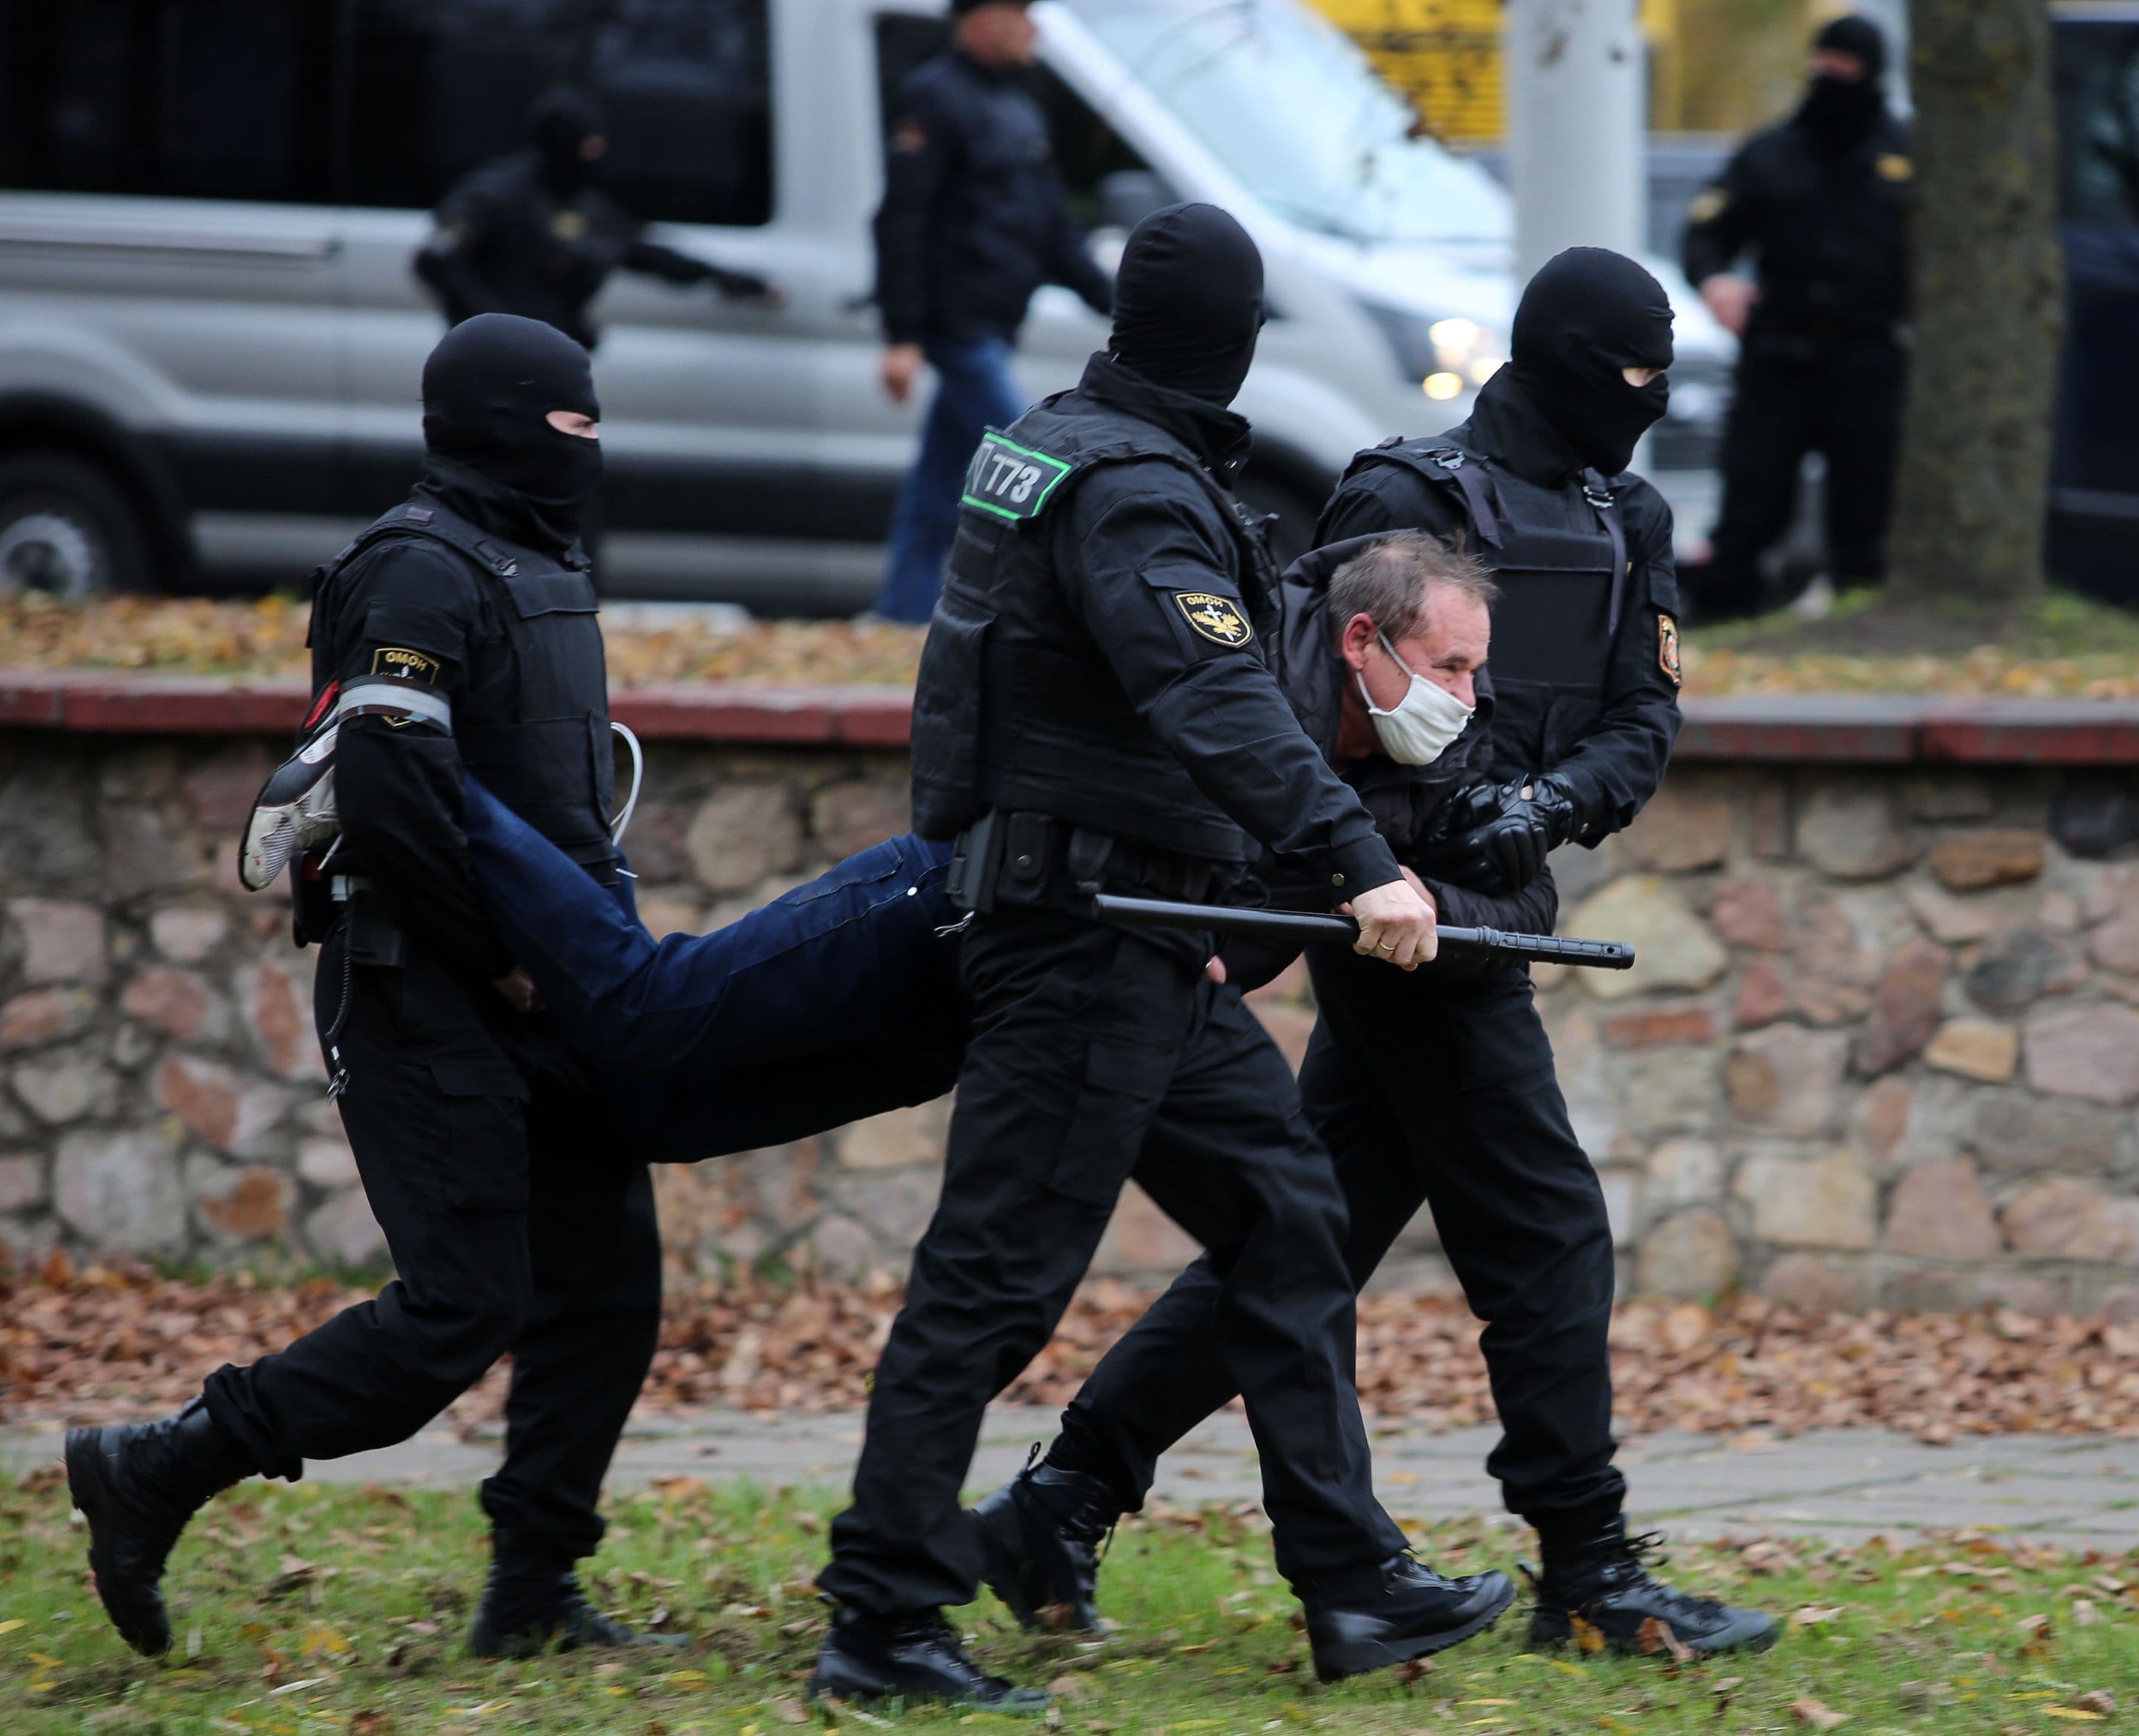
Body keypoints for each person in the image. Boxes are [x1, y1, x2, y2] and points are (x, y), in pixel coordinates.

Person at [973, 246, 1778, 1663]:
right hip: (1392, 911)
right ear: (1568, 360)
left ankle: (1067, 1493)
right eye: (1633, 374)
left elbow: (1643, 717)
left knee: (1311, 1231)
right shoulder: (1403, 492)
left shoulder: (1624, 511)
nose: (1647, 402)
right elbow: (1310, 703)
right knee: (1547, 1232)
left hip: (1492, 902)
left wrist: (1536, 807)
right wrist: (1392, 855)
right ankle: (1587, 1570)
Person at [815, 201, 1509, 1710]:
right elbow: (1214, 704)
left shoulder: (1072, 440)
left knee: (1287, 1221)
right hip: (1082, 933)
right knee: (995, 1279)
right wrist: (1360, 859)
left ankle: (1350, 1583)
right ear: (1232, 340)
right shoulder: (1130, 485)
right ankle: (880, 1615)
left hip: (1141, 929)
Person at [67, 314, 676, 1664]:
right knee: (460, 1308)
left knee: (608, 1290)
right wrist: (506, 959)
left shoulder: (537, 559)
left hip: (542, 987)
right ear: (509, 423)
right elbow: (393, 794)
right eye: (572, 421)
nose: (589, 446)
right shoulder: (415, 570)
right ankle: (158, 1466)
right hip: (426, 986)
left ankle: (533, 1597)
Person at [867, 0, 1117, 623]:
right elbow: (903, 220)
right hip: (958, 326)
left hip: (997, 324)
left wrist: (1121, 305)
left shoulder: (1017, 104)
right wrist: (902, 334)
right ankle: (1092, 606)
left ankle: (899, 614)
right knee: (1037, 459)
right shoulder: (934, 96)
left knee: (937, 486)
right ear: (982, 22)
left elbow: (1051, 226)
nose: (1034, 28)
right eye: (1020, 14)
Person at [1676, 14, 1911, 619]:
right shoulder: (1770, 153)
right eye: (1823, 63)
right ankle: (1727, 614)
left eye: (1845, 66)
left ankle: (1861, 614)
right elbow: (1706, 232)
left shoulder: (1907, 154)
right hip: (1779, 354)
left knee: (1866, 506)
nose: (1831, 76)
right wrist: (1716, 280)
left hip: (1870, 356)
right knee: (1752, 496)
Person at [414, 86, 777, 351]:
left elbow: (639, 252)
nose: (592, 159)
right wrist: (493, 325)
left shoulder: (584, 202)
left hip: (551, 353)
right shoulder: (498, 193)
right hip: (491, 360)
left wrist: (725, 278)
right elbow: (437, 258)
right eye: (583, 149)